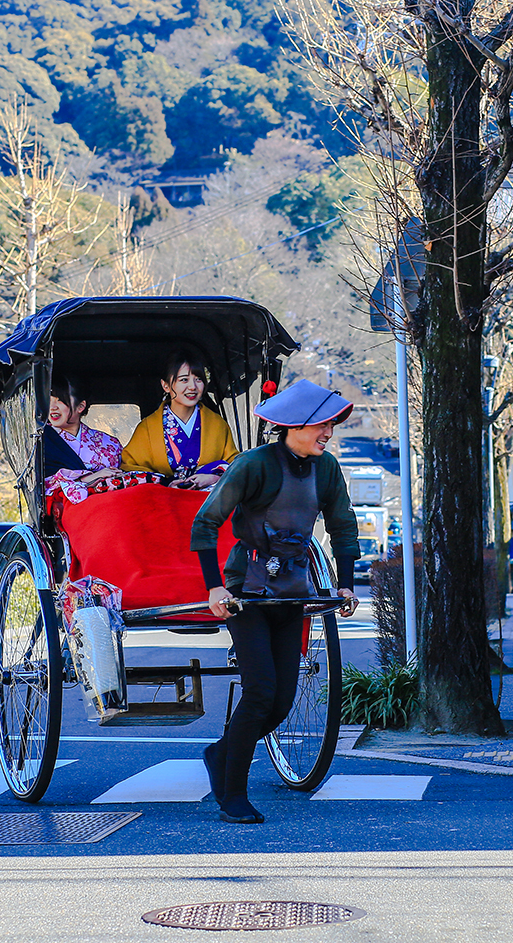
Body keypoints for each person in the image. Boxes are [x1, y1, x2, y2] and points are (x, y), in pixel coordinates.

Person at [191, 378, 360, 823]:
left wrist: (345, 583)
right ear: (294, 426)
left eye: (331, 426)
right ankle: (232, 795)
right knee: (260, 691)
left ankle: (220, 754)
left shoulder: (326, 470)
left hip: (293, 592)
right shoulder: (254, 464)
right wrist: (215, 588)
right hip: (246, 592)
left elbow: (343, 526)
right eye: (322, 425)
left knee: (282, 702)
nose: (328, 433)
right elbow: (205, 524)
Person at [121, 350, 240, 489]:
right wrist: (164, 483)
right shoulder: (147, 427)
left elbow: (235, 465)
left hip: (208, 500)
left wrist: (214, 477)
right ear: (166, 386)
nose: (192, 387)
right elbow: (129, 466)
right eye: (184, 380)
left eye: (198, 379)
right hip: (161, 499)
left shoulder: (217, 424)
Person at [43, 372, 123, 481]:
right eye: (49, 400)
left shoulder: (110, 444)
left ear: (80, 406)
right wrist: (87, 479)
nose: (52, 407)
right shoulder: (40, 441)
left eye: (60, 400)